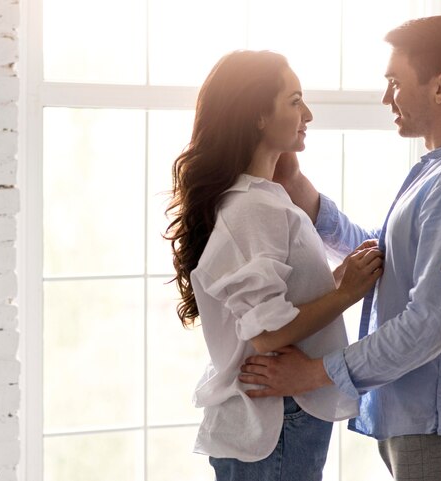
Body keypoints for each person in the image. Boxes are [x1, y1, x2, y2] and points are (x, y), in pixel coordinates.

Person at [239, 16, 441, 481]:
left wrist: (312, 374)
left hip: (437, 431)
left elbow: (428, 325)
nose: (386, 97)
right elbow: (384, 262)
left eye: (395, 82)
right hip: (422, 425)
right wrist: (305, 197)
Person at [164, 50, 383, 481]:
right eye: (295, 101)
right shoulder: (253, 206)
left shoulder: (259, 199)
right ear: (258, 117)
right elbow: (267, 335)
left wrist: (340, 278)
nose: (309, 114)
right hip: (276, 419)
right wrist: (345, 294)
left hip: (276, 418)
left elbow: (278, 303)